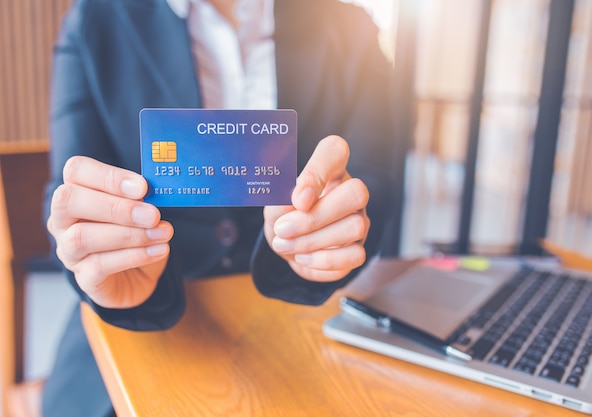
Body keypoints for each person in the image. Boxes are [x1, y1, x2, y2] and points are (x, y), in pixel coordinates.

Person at [42, 0, 396, 415]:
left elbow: (374, 183)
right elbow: (67, 199)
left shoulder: (350, 27)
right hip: (135, 328)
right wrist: (100, 261)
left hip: (295, 328)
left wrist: (326, 235)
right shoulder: (95, 19)